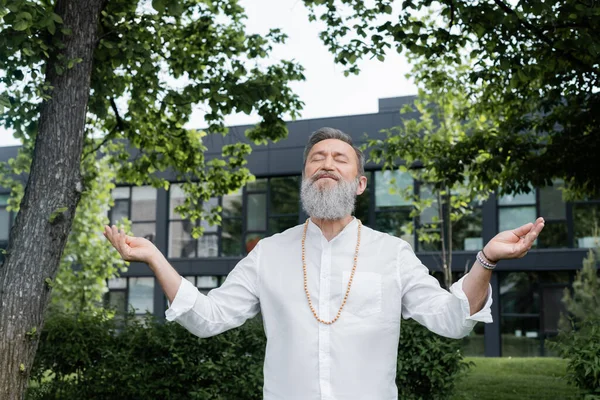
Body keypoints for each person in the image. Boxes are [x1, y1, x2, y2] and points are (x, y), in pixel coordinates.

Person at [104, 127, 545, 400]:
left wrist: (486, 260)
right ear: (304, 178)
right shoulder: (268, 253)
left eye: (339, 158)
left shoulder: (392, 253)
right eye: (316, 159)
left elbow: (452, 320)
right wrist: (154, 257)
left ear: (359, 183)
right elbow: (208, 318)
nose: (326, 164)